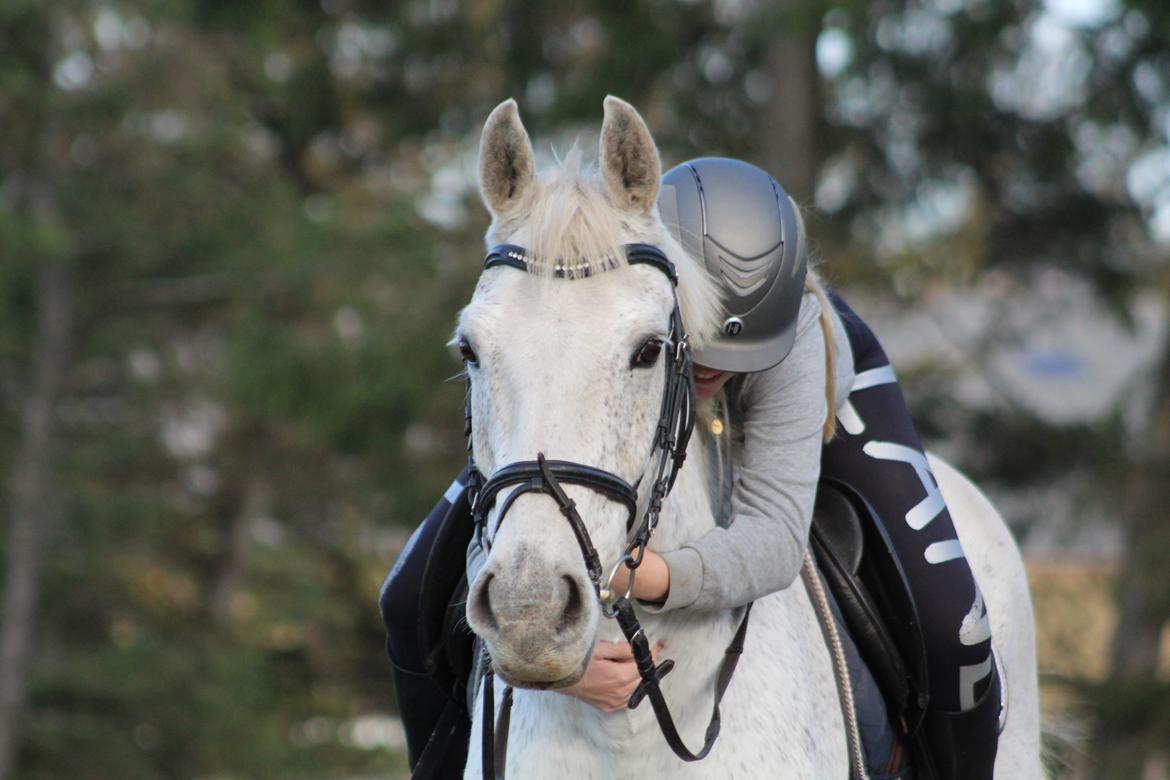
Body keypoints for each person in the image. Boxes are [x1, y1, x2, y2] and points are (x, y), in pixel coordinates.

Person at [381, 157, 1001, 779]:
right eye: (702, 347)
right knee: (407, 597)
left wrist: (655, 578)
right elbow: (512, 516)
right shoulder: (624, 303)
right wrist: (554, 666)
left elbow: (776, 540)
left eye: (729, 359)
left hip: (813, 384)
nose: (712, 371)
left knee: (953, 626)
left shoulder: (790, 338)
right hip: (646, 359)